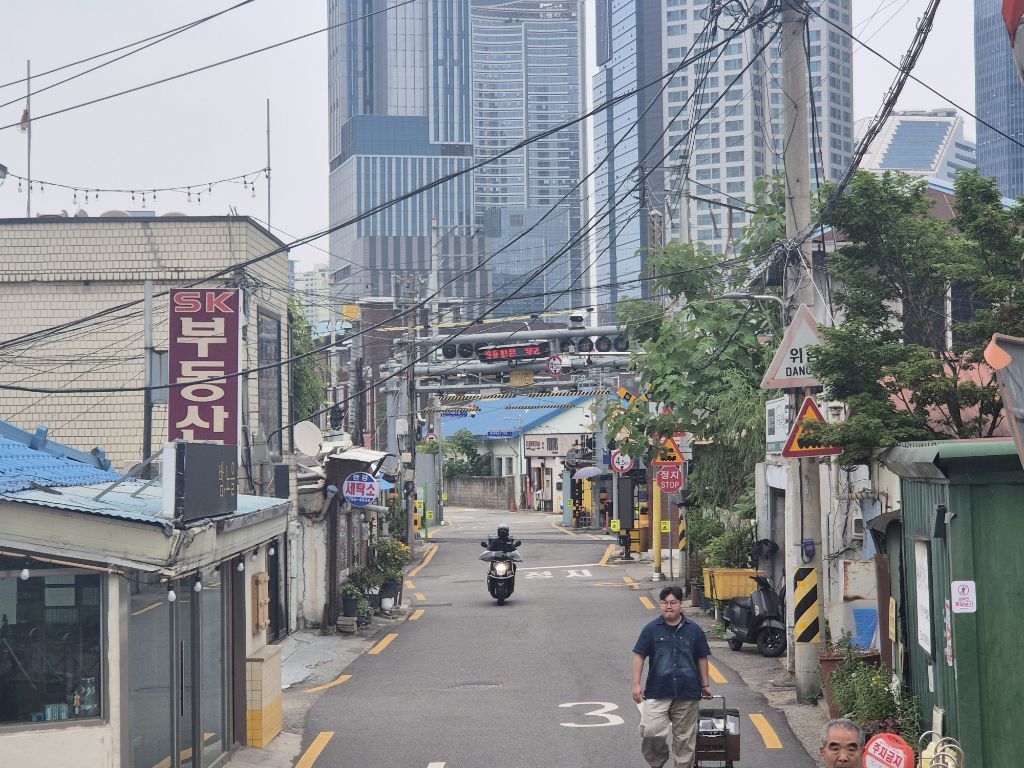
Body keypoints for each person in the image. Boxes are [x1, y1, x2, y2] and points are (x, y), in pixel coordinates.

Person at [632, 585, 712, 768]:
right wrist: (636, 684)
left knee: (684, 739)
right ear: (660, 604)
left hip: (687, 692)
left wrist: (705, 684)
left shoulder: (694, 630)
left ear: (680, 604)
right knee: (651, 731)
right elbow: (639, 656)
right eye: (665, 603)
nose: (669, 606)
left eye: (673, 602)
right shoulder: (651, 629)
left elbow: (702, 657)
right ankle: (657, 762)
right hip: (658, 691)